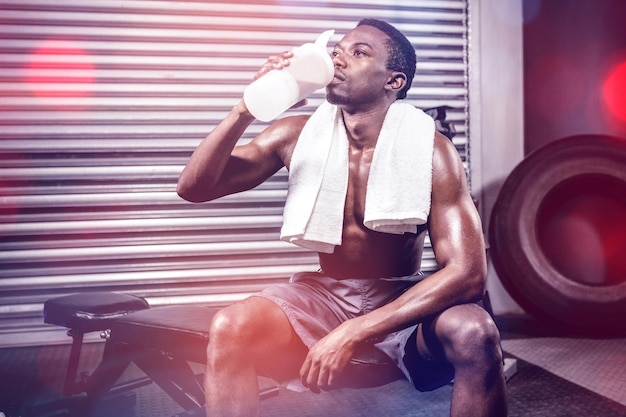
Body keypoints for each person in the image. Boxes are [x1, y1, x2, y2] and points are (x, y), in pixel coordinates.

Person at [177, 18, 508, 417]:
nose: (338, 57)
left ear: (394, 82)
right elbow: (194, 188)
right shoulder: (294, 134)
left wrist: (355, 330)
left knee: (477, 332)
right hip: (323, 296)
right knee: (231, 325)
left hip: (403, 298)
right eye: (338, 50)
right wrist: (249, 105)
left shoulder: (432, 152)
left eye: (359, 52)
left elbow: (469, 273)